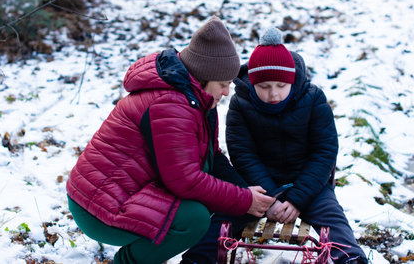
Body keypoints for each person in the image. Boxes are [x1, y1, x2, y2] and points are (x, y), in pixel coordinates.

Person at [65, 16, 275, 264]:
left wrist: (244, 191)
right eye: (223, 84)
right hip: (98, 207)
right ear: (204, 76)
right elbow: (185, 180)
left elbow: (210, 157)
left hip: (120, 192)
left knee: (207, 201)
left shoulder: (196, 99)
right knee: (193, 219)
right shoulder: (172, 105)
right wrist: (243, 200)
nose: (227, 92)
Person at [182, 27, 368, 264]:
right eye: (264, 86)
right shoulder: (241, 104)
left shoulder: (313, 99)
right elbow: (243, 154)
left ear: (292, 80)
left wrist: (298, 198)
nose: (273, 94)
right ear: (253, 83)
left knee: (332, 217)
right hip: (259, 184)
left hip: (309, 182)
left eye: (281, 85)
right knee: (225, 215)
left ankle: (352, 258)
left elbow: (324, 152)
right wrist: (271, 197)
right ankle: (196, 259)